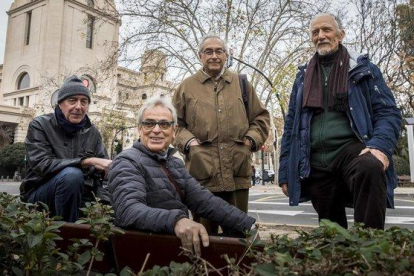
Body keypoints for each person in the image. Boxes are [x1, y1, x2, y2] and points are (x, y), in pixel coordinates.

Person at [278, 14, 402, 230]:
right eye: (315, 32)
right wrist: (284, 170)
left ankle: (370, 248)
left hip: (351, 150)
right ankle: (338, 260)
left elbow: (388, 112)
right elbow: (291, 126)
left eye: (326, 30)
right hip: (314, 159)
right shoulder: (302, 77)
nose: (321, 36)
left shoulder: (364, 70)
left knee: (370, 167)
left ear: (341, 34)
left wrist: (379, 147)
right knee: (332, 234)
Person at [108, 95, 256, 257]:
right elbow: (129, 211)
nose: (156, 130)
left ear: (174, 131)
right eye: (149, 123)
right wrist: (177, 221)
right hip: (144, 251)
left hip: (173, 247)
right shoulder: (127, 161)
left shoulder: (174, 163)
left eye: (164, 124)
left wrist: (247, 224)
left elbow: (204, 200)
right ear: (139, 128)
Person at [173, 34, 270, 234]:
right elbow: (174, 125)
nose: (214, 56)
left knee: (237, 235)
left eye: (219, 51)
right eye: (208, 51)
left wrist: (249, 141)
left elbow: (261, 118)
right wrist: (190, 143)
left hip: (237, 172)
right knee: (203, 237)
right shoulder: (186, 87)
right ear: (200, 56)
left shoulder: (241, 84)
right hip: (202, 177)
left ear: (226, 56)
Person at [20, 75, 112, 222]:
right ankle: (68, 236)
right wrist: (86, 161)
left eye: (84, 101)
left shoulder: (93, 132)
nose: (78, 106)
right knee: (72, 176)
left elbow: (103, 175)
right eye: (72, 100)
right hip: (41, 194)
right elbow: (42, 164)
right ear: (60, 104)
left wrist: (106, 205)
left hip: (82, 195)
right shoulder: (40, 125)